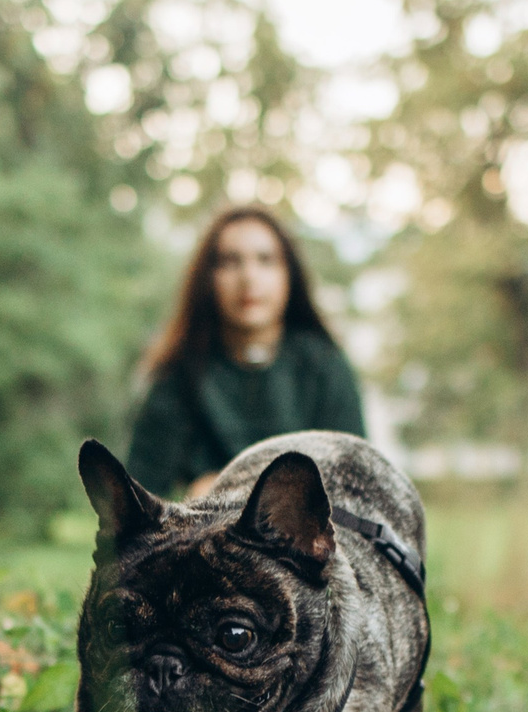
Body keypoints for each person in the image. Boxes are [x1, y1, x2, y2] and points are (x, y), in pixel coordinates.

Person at [126, 206, 366, 498]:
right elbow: (137, 497)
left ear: (289, 275)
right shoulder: (181, 373)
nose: (249, 277)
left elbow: (358, 486)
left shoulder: (324, 366)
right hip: (207, 536)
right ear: (208, 278)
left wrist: (239, 490)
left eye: (266, 260)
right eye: (230, 261)